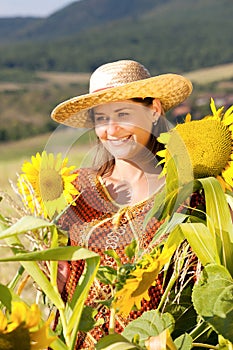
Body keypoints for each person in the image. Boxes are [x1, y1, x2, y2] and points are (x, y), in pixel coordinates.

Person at [50, 59, 193, 349]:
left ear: (154, 110)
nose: (111, 130)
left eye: (123, 114)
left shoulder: (186, 194)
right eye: (101, 119)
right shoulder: (75, 191)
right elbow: (60, 287)